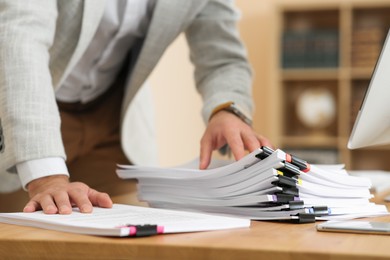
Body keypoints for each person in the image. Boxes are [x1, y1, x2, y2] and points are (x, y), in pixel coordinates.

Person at [0, 0, 272, 214]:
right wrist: (46, 178)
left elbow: (222, 57)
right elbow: (20, 37)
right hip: (25, 111)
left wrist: (225, 109)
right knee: (23, 238)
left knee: (121, 237)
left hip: (115, 120)